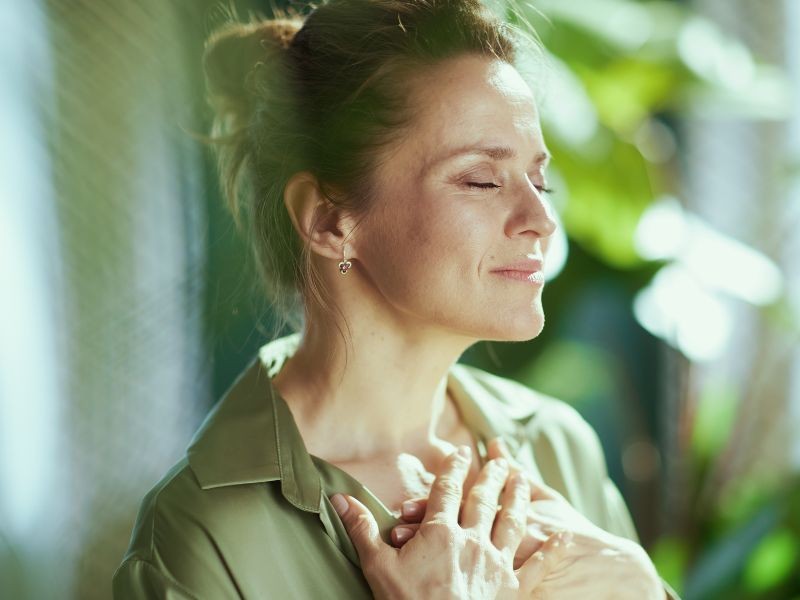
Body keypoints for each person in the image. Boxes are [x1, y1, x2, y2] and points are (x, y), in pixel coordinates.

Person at [113, 0, 681, 597]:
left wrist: (644, 586)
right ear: (331, 219)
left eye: (540, 181)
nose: (541, 219)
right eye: (481, 180)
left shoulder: (556, 445)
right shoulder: (202, 538)